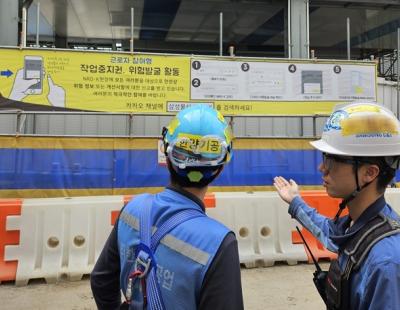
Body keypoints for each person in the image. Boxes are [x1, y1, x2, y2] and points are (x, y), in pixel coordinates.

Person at [91, 104, 244, 310]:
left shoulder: (133, 209)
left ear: (166, 154)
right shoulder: (219, 243)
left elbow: (101, 280)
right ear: (221, 166)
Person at [273, 102, 400, 309]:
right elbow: (330, 234)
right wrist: (295, 201)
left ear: (369, 173)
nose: (322, 168)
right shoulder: (357, 228)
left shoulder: (385, 262)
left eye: (332, 161)